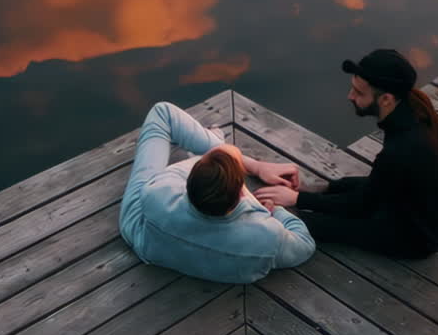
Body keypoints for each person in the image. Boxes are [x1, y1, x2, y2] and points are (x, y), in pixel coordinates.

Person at [255, 49, 438, 258]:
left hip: (413, 238)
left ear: (386, 99)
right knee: (341, 188)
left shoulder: (403, 148)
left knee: (298, 221)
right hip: (419, 213)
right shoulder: (419, 112)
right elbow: (380, 184)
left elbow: (361, 205)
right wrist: (312, 189)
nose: (350, 96)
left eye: (359, 92)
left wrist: (298, 200)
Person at [119, 101, 315, 283]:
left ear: (188, 184)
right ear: (242, 194)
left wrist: (228, 159)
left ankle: (214, 141)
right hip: (225, 262)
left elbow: (165, 117)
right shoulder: (266, 238)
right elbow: (305, 245)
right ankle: (218, 144)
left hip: (145, 235)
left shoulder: (159, 192)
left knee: (162, 113)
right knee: (221, 155)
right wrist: (276, 210)